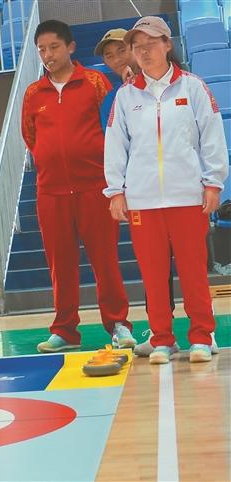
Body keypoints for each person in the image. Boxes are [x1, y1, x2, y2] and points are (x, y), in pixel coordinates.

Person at [104, 16, 228, 364]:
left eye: (151, 44)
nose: (144, 52)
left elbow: (212, 136)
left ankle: (201, 336)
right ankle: (162, 339)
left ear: (167, 44)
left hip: (187, 197)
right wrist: (116, 191)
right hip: (143, 200)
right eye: (137, 47)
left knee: (193, 273)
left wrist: (213, 182)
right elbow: (115, 144)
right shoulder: (125, 96)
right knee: (153, 276)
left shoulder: (193, 87)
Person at [21, 20, 135, 353]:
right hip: (51, 192)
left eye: (54, 47)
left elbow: (111, 126)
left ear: (70, 47)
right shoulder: (33, 93)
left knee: (105, 261)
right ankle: (65, 330)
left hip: (94, 187)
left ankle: (118, 324)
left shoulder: (95, 82)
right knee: (61, 266)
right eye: (42, 50)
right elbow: (30, 137)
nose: (48, 55)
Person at [95, 28, 140, 131]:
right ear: (104, 62)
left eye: (122, 51)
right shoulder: (111, 100)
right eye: (109, 56)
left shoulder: (158, 78)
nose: (117, 60)